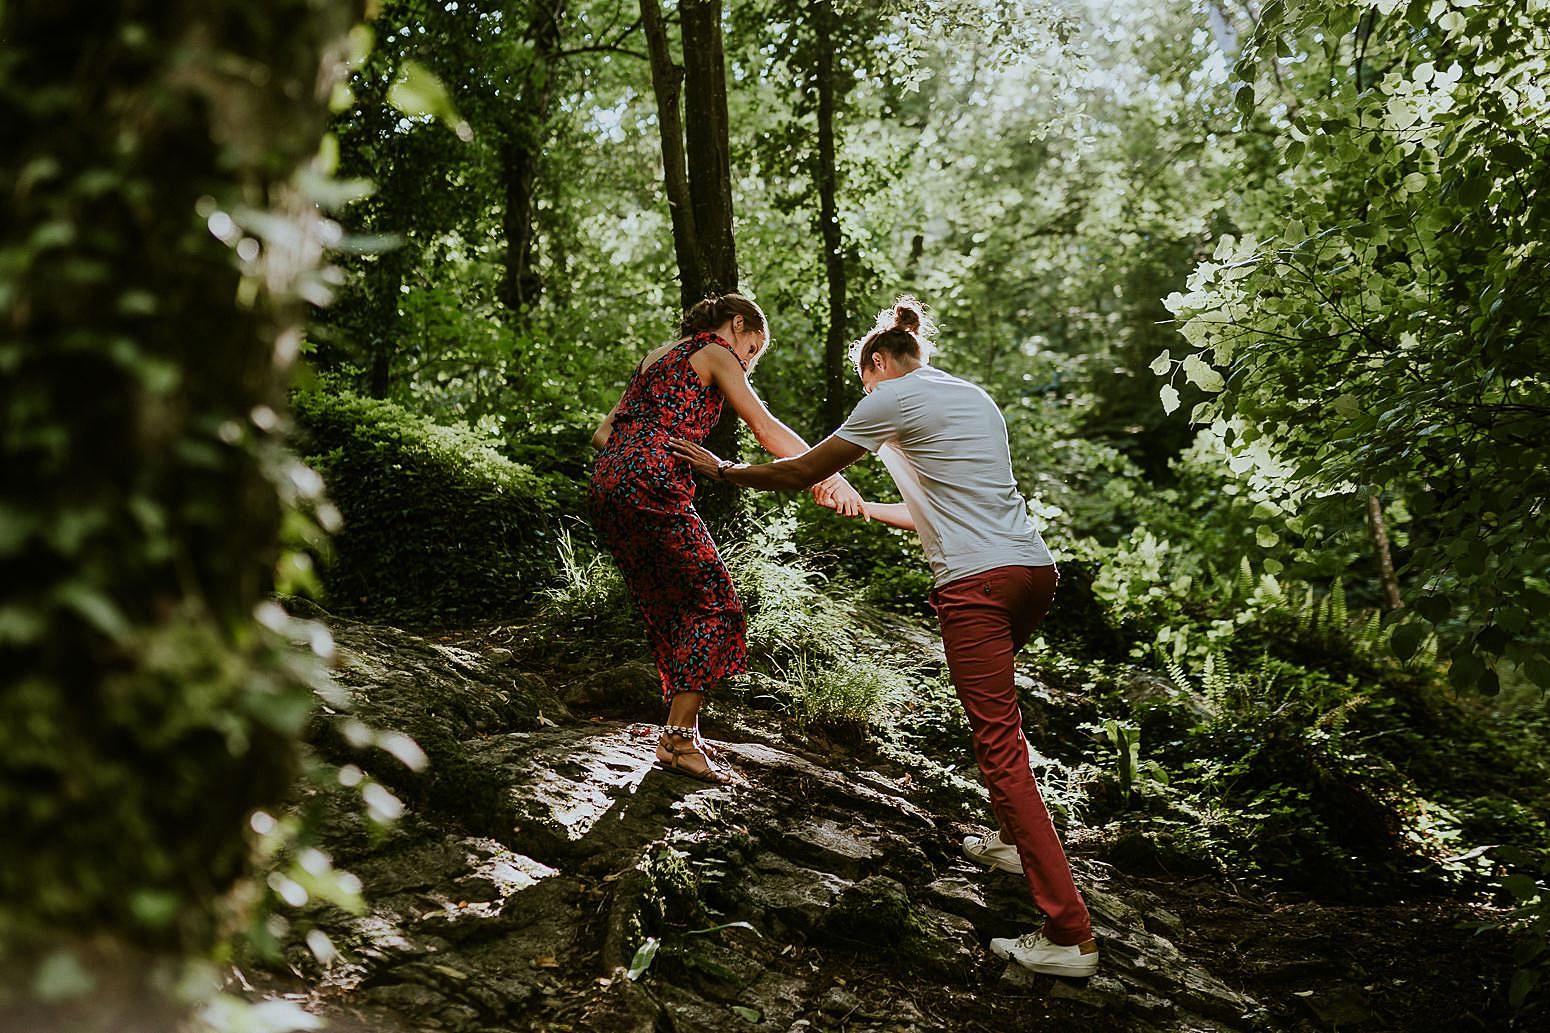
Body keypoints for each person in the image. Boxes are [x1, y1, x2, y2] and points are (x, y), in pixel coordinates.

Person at [669, 297, 1099, 977]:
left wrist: (723, 470)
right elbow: (938, 508)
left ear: (876, 364)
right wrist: (865, 505)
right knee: (1001, 730)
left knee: (999, 744)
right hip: (1031, 573)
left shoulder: (889, 398)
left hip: (976, 587)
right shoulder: (971, 397)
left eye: (864, 382)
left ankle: (1069, 934)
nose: (865, 394)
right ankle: (1018, 841)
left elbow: (799, 469)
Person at [589, 292, 863, 785]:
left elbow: (602, 433)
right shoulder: (716, 352)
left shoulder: (657, 356)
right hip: (653, 486)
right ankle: (677, 740)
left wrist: (639, 452)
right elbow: (764, 426)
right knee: (715, 604)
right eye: (752, 349)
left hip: (609, 485)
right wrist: (827, 476)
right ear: (738, 326)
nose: (748, 362)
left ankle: (682, 729)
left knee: (674, 606)